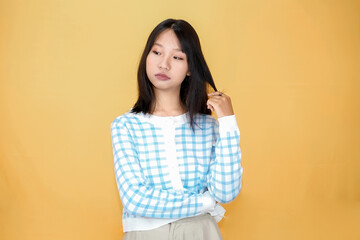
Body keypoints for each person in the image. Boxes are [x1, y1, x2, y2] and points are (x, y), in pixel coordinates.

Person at [111, 18, 243, 240]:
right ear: (146, 57)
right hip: (146, 235)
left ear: (191, 68)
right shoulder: (126, 126)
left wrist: (228, 122)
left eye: (177, 57)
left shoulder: (209, 127)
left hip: (201, 233)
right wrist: (206, 202)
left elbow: (226, 192)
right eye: (157, 53)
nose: (164, 64)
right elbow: (136, 199)